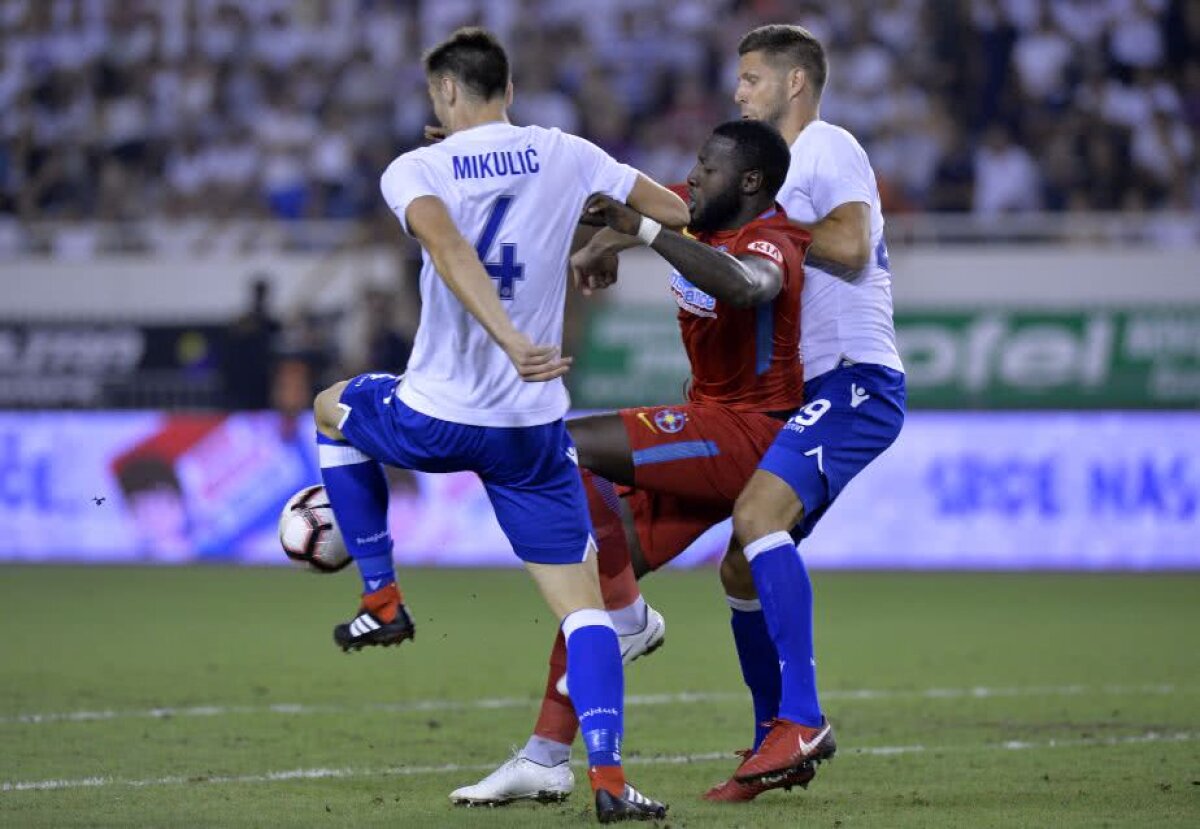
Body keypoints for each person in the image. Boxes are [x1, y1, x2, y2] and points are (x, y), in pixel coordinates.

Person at [309, 28, 687, 823]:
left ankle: (381, 593)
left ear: (445, 94)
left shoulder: (416, 167)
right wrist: (600, 239)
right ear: (507, 91)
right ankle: (610, 783)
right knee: (584, 615)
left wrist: (509, 339)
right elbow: (675, 211)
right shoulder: (568, 152)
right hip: (531, 430)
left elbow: (447, 247)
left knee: (332, 410)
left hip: (437, 417)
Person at [449, 119, 818, 806]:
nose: (693, 175)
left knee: (561, 443)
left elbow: (747, 286)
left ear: (749, 183)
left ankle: (630, 618)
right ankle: (546, 755)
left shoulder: (776, 236)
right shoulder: (700, 209)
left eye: (707, 167)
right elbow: (612, 203)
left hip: (749, 435)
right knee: (586, 576)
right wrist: (602, 238)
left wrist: (642, 233)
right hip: (707, 429)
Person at [712, 23, 907, 797]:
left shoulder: (826, 146)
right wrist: (626, 228)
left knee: (758, 518)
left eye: (752, 78)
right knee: (739, 557)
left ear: (795, 84)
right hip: (813, 390)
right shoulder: (775, 179)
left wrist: (762, 228)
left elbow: (853, 244)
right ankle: (773, 743)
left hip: (857, 379)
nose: (739, 92)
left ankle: (802, 716)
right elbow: (709, 216)